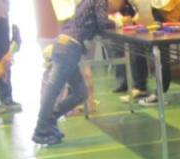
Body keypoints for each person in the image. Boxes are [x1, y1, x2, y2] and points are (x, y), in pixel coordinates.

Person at [33, 0, 125, 145]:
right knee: (53, 89)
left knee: (81, 93)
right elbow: (103, 23)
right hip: (69, 47)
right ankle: (41, 130)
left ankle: (50, 120)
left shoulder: (85, 2)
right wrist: (120, 22)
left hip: (65, 44)